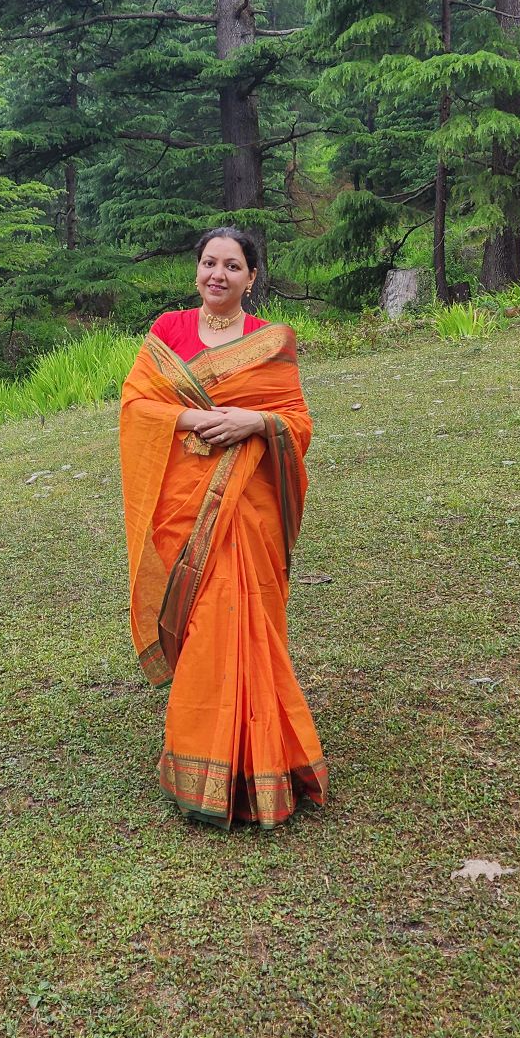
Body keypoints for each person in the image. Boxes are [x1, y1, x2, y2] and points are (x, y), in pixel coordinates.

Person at [119, 226, 327, 828]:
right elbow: (137, 410)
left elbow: (297, 424)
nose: (218, 274)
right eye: (209, 263)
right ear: (197, 270)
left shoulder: (273, 342)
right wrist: (195, 417)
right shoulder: (167, 331)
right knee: (202, 625)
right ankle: (204, 754)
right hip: (184, 508)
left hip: (247, 511)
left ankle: (261, 765)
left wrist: (253, 422)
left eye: (231, 266)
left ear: (251, 277)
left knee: (243, 622)